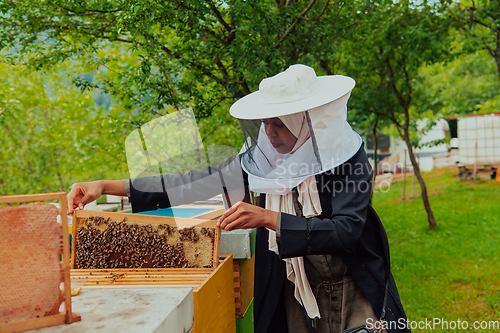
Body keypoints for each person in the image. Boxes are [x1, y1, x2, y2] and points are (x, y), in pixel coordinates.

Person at [68, 64, 410, 333]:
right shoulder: (264, 158)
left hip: (353, 284)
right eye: (265, 123)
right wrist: (108, 186)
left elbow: (346, 231)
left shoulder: (348, 158)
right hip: (292, 287)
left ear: (307, 122)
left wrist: (267, 218)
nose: (270, 133)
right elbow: (194, 183)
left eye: (279, 123)